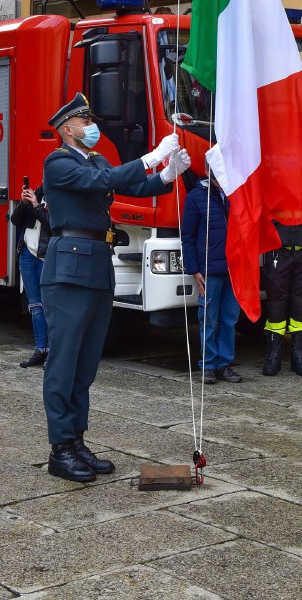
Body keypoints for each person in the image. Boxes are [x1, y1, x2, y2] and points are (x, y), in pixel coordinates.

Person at [41, 93, 190, 483]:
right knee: (63, 362)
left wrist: (167, 174)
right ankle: (60, 449)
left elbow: (131, 187)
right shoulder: (58, 162)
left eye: (91, 119)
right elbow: (105, 181)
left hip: (94, 265)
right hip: (69, 266)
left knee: (86, 363)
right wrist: (152, 154)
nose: (92, 126)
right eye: (84, 121)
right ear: (67, 129)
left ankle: (76, 439)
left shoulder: (94, 159)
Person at [181, 171, 241, 384]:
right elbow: (187, 236)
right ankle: (207, 366)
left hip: (233, 269)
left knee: (229, 319)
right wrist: (194, 269)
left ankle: (224, 365)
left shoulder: (237, 193)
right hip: (209, 270)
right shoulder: (196, 197)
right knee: (208, 319)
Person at [262, 215, 302, 377]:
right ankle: (273, 356)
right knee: (276, 305)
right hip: (278, 251)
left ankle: (299, 356)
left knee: (301, 305)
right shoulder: (273, 189)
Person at [10, 182, 51, 368]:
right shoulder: (38, 192)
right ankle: (40, 349)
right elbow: (15, 220)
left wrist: (36, 206)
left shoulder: (59, 197)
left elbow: (53, 227)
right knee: (34, 305)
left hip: (45, 256)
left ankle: (52, 352)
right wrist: (23, 203)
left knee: (49, 306)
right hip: (27, 254)